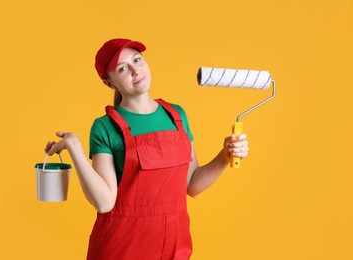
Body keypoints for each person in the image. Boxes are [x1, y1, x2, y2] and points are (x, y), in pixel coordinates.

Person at [45, 38, 249, 260]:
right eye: (122, 68)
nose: (135, 70)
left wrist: (225, 155)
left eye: (137, 60)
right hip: (123, 248)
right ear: (109, 83)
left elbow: (192, 184)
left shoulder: (176, 116)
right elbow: (104, 202)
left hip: (173, 245)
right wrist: (75, 147)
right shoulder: (105, 127)